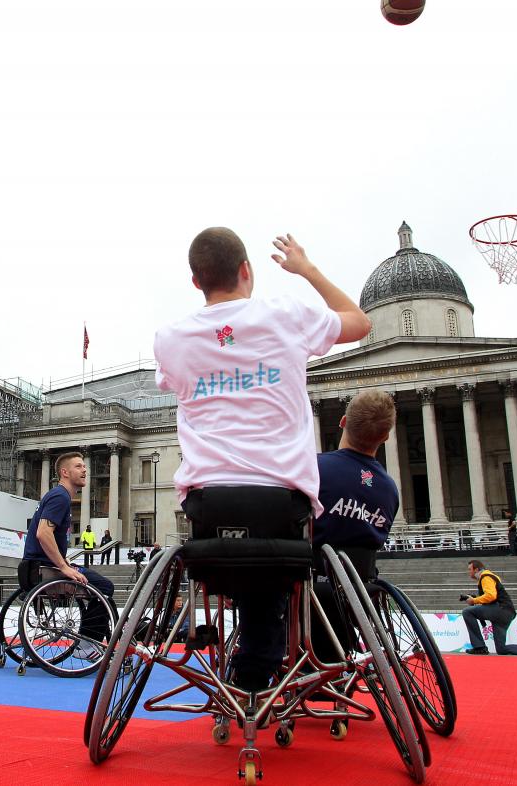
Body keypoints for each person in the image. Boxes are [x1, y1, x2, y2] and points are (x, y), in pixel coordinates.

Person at [154, 228, 371, 691]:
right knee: (270, 579)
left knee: (243, 568)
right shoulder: (287, 315)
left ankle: (248, 664)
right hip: (282, 504)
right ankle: (262, 668)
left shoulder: (169, 339)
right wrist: (305, 268)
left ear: (196, 281)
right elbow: (359, 322)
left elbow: (170, 380)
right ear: (247, 269)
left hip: (207, 505)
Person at [311, 389, 399, 659]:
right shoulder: (389, 490)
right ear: (385, 436)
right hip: (357, 593)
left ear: (343, 422)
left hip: (309, 588)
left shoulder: (314, 469)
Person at [21, 452, 114, 658]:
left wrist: (64, 561)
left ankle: (94, 641)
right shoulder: (60, 496)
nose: (85, 470)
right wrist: (63, 567)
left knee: (101, 588)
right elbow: (43, 533)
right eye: (79, 466)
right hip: (45, 569)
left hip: (39, 565)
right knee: (105, 588)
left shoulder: (59, 496)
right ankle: (86, 646)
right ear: (64, 472)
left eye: (84, 466)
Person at [461, 560, 517, 656]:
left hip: (500, 609)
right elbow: (491, 597)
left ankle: (479, 647)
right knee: (501, 649)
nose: (469, 572)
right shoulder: (488, 577)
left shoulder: (485, 577)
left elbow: (491, 596)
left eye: (470, 569)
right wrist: (475, 599)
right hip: (506, 613)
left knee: (467, 612)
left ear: (476, 569)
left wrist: (474, 601)